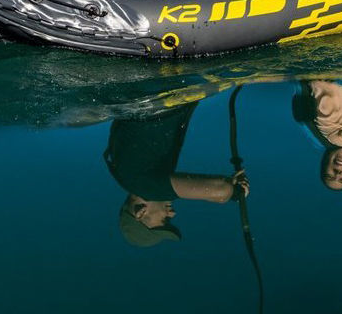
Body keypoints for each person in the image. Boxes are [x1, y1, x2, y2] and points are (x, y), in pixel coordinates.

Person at [104, 102, 250, 248]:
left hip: (161, 100)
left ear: (140, 213)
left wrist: (236, 193)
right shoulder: (125, 174)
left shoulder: (146, 188)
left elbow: (221, 190)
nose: (172, 214)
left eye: (165, 220)